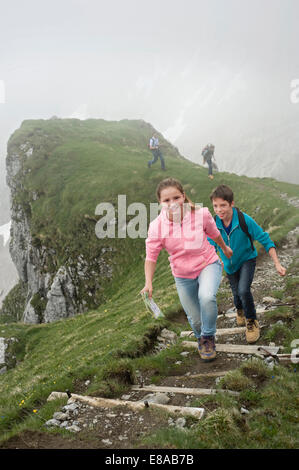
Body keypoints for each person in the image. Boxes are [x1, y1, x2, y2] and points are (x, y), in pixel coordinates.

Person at [140, 178, 233, 362]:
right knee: (195, 319)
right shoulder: (156, 227)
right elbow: (151, 257)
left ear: (183, 196)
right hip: (182, 275)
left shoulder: (201, 214)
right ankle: (201, 338)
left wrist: (224, 248)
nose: (172, 203)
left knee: (207, 297)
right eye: (166, 200)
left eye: (176, 197)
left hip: (207, 264)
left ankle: (208, 338)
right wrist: (148, 283)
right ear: (160, 203)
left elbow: (214, 233)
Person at [208, 184, 287, 343]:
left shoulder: (244, 220)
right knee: (237, 295)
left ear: (232, 203)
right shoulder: (214, 223)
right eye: (215, 206)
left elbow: (265, 239)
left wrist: (277, 264)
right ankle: (239, 310)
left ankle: (252, 321)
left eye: (223, 205)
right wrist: (215, 261)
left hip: (247, 260)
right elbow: (210, 245)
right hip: (229, 266)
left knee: (244, 290)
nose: (219, 210)